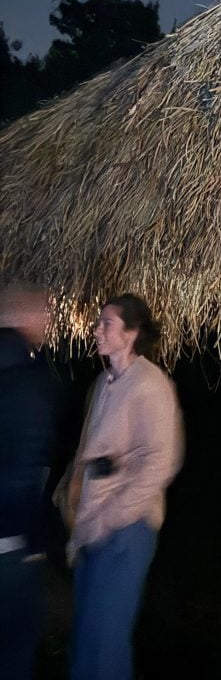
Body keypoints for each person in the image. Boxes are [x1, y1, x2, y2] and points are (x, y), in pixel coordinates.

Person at [56, 292, 184, 680]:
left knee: (104, 643)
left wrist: (113, 516)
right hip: (92, 528)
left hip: (126, 531)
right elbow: (93, 450)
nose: (97, 330)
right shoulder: (105, 382)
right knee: (86, 639)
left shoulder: (150, 383)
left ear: (131, 333)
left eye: (106, 323)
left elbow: (161, 461)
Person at [0, 280, 57, 679]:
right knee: (16, 649)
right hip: (10, 546)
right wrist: (34, 538)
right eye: (44, 313)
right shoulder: (27, 381)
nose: (49, 321)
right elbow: (26, 469)